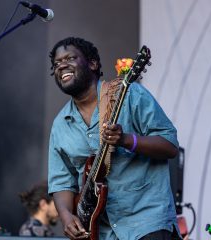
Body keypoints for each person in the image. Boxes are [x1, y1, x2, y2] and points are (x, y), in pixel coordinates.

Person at [47, 37, 181, 240]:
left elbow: (169, 145)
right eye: (56, 63)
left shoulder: (129, 94)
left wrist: (127, 140)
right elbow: (61, 182)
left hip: (147, 222)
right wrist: (66, 216)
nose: (61, 65)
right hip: (101, 231)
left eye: (70, 58)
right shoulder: (60, 125)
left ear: (93, 63)